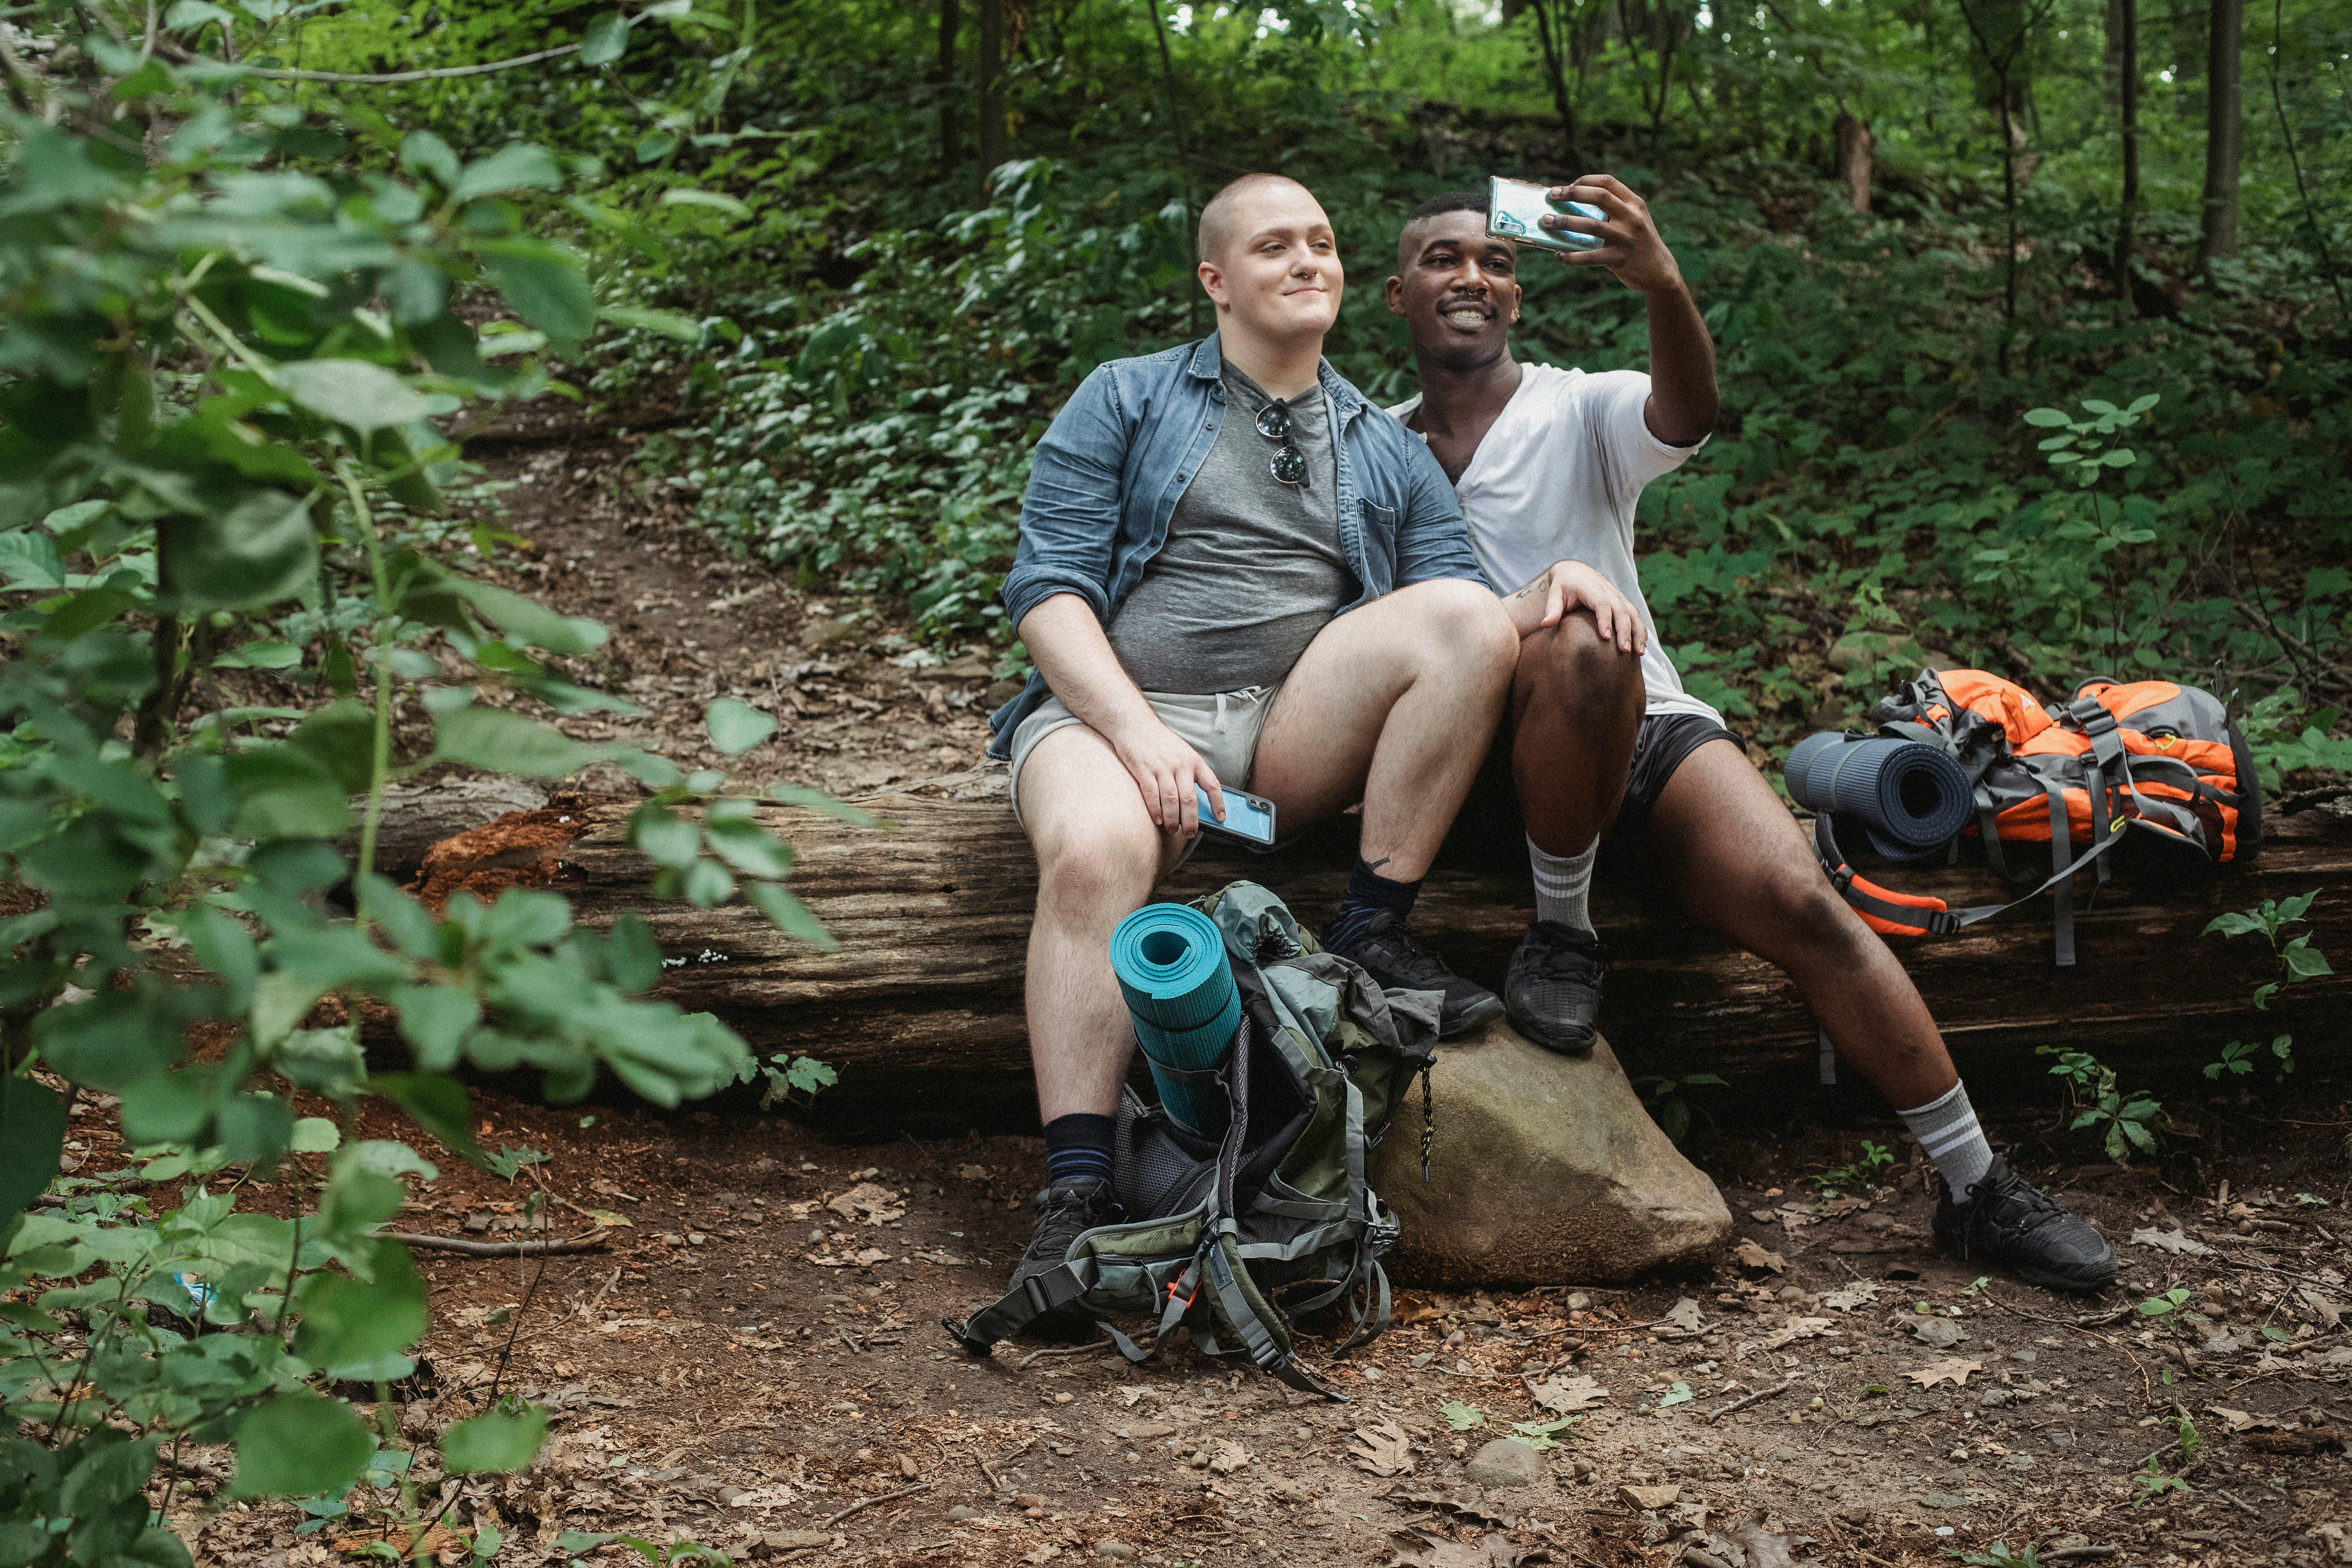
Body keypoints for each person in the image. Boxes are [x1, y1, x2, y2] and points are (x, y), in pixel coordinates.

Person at [1382, 182, 2117, 1293]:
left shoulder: (1578, 408)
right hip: (1478, 767)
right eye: (1442, 260)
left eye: (1490, 259)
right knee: (1559, 641)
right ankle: (1561, 920)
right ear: (1399, 297)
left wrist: (1662, 282)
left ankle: (1976, 1188)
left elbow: (1688, 415)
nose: (1470, 276)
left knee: (1802, 896)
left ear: (1520, 292)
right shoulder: (1373, 451)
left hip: (1636, 725)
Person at [987, 173, 1607, 1315]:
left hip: (1284, 739)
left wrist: (1554, 586)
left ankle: (1372, 927)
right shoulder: (1126, 398)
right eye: (1276, 246)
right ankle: (1075, 1197)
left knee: (1473, 616)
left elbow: (1456, 614)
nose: (1308, 260)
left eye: (1322, 241)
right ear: (1218, 281)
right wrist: (1135, 738)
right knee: (1091, 857)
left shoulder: (1382, 444)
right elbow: (1047, 589)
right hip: (1112, 712)